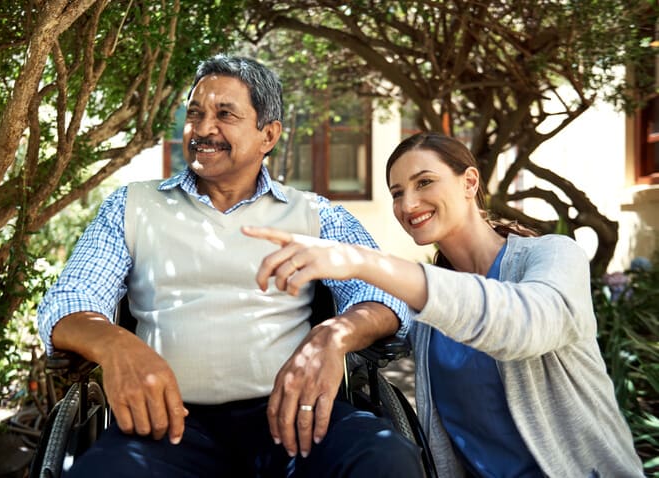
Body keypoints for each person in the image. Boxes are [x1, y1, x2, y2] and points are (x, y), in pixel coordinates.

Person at [37, 55, 423, 477]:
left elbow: (385, 295)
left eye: (225, 115)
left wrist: (334, 336)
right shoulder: (132, 206)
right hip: (166, 425)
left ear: (268, 135)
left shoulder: (316, 216)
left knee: (386, 458)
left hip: (294, 420)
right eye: (195, 114)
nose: (203, 129)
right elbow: (68, 302)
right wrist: (114, 344)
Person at [243, 132, 644, 477]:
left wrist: (362, 261)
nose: (408, 203)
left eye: (425, 182)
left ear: (469, 182)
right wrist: (332, 336)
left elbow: (525, 323)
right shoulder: (426, 311)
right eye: (397, 193)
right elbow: (386, 313)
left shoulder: (553, 256)